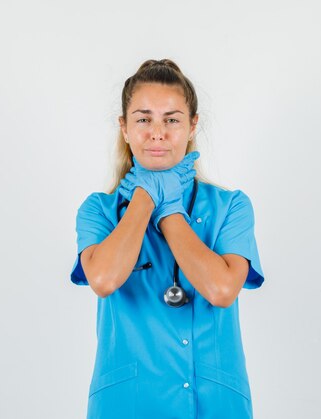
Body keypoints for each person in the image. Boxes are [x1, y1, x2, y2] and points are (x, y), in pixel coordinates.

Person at [70, 59, 266, 419]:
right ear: (125, 128)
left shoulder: (231, 206)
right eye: (143, 119)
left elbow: (222, 290)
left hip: (215, 404)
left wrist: (168, 208)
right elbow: (103, 279)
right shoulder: (98, 210)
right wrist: (145, 195)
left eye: (171, 119)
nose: (157, 132)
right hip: (128, 404)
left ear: (192, 126)